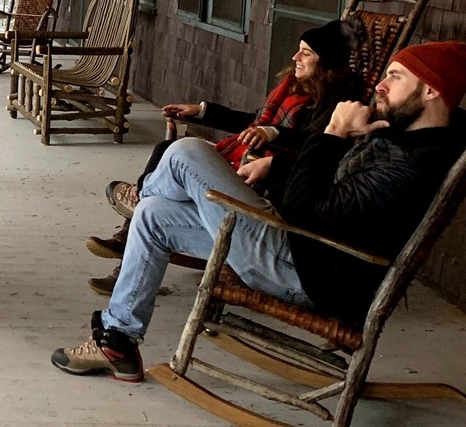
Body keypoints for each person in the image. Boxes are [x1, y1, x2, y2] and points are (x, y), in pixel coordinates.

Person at [51, 41, 466, 383]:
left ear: (432, 90)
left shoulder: (413, 165)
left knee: (185, 151)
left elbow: (310, 211)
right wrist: (279, 163)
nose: (380, 84)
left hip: (304, 270)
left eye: (396, 76)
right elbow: (331, 193)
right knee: (155, 215)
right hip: (297, 244)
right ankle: (118, 341)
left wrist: (333, 134)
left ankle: (138, 195)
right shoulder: (402, 135)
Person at [85, 19, 366, 294]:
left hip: (263, 178)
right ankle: (133, 225)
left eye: (306, 52)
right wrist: (203, 111)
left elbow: (319, 147)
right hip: (255, 158)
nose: (295, 57)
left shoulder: (339, 103)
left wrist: (275, 136)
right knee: (164, 154)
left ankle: (134, 215)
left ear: (326, 62)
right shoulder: (292, 88)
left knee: (176, 160)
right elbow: (254, 122)